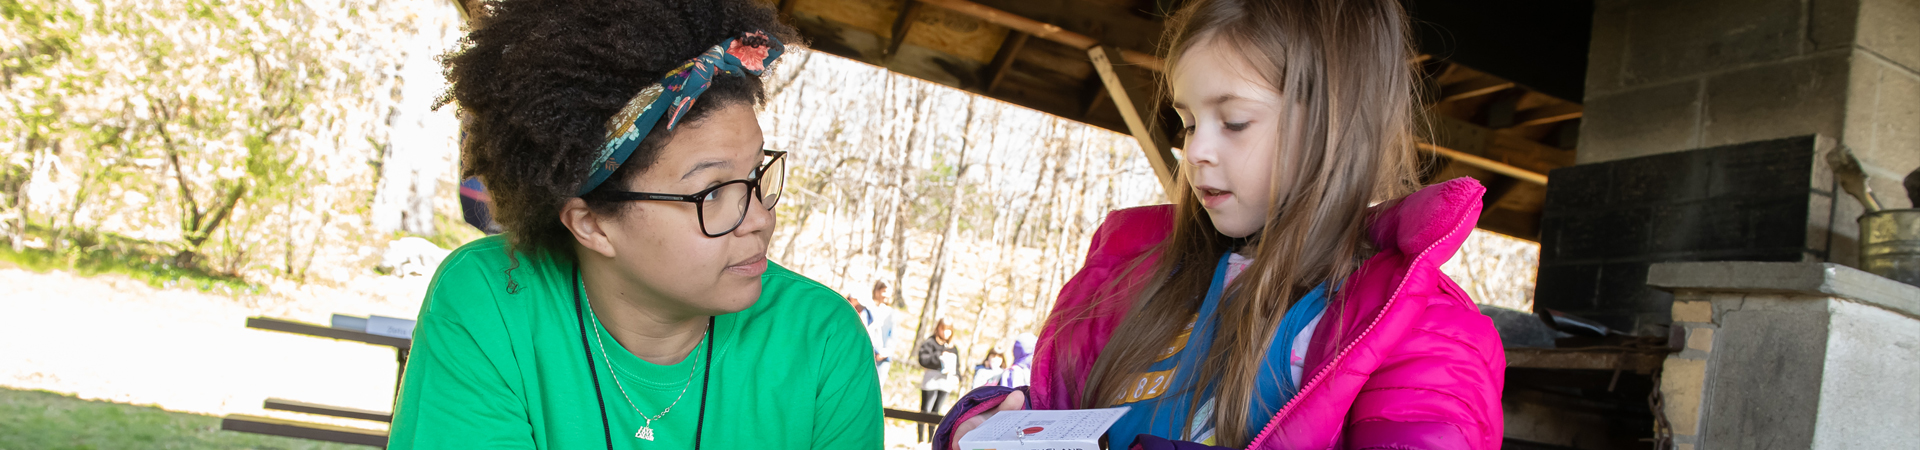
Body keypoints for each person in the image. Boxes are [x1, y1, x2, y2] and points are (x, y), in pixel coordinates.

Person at [931, 0, 1504, 449]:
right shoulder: (1136, 283)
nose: (1195, 150)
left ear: (1336, 123)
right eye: (1186, 120)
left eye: (1233, 122)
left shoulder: (1425, 335)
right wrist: (982, 425)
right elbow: (1055, 409)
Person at [387, 0, 882, 448]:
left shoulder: (822, 341)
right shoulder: (492, 300)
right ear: (591, 225)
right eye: (712, 193)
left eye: (755, 173)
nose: (759, 219)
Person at [915, 318, 960, 443]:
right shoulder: (930, 342)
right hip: (931, 381)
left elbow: (957, 366)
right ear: (938, 328)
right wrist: (939, 356)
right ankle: (920, 440)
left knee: (936, 412)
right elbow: (923, 359)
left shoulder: (953, 347)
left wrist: (957, 376)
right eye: (943, 329)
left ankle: (931, 440)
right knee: (925, 410)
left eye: (948, 330)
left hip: (945, 383)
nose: (945, 333)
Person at [855, 280, 904, 379]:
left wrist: (887, 351)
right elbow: (863, 332)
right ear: (877, 291)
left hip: (883, 357)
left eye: (889, 292)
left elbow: (893, 335)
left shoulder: (890, 313)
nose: (886, 295)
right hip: (867, 355)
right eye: (884, 291)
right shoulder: (867, 310)